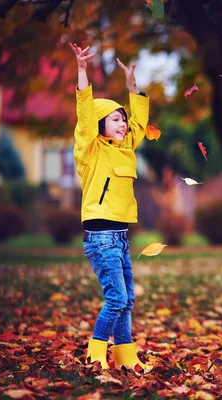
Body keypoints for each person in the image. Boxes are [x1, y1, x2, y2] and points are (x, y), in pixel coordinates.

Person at [70, 43, 158, 372]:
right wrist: (82, 70)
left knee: (128, 301)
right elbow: (83, 114)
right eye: (116, 119)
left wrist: (132, 84)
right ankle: (95, 355)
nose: (123, 125)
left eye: (123, 119)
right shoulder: (90, 150)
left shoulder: (125, 148)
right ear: (100, 124)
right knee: (117, 299)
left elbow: (141, 121)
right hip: (101, 236)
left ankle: (125, 357)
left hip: (119, 236)